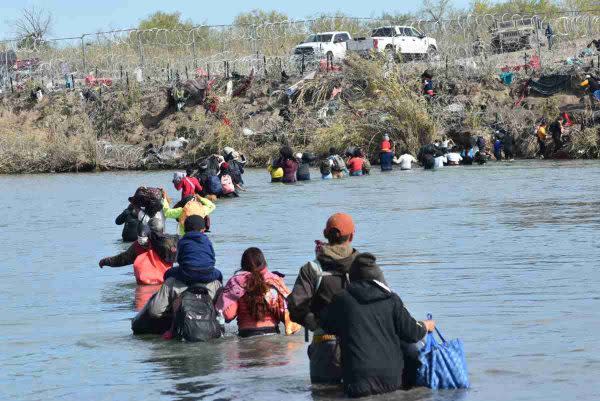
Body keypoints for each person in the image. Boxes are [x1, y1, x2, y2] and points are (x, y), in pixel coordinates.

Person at [320, 253, 435, 398]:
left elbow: (326, 325)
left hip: (357, 383)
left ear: (352, 278)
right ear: (378, 278)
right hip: (392, 380)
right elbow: (412, 333)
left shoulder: (341, 299)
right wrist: (425, 325)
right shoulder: (392, 299)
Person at [288, 213, 359, 384]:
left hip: (325, 346)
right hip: (360, 346)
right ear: (352, 235)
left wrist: (317, 325)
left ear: (325, 234)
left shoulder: (311, 269)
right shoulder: (363, 265)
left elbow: (296, 307)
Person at [132, 215, 223, 337]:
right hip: (208, 275)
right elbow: (212, 259)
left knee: (168, 275)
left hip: (185, 273)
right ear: (203, 230)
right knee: (219, 276)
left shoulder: (182, 240)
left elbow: (180, 259)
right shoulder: (207, 241)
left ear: (184, 229)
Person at [215, 248, 301, 338]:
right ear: (264, 263)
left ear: (243, 265)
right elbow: (288, 311)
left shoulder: (235, 283)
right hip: (272, 335)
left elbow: (228, 315)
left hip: (246, 336)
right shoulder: (274, 281)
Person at [99, 187, 166, 268]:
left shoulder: (138, 216)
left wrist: (105, 261)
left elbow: (123, 259)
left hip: (133, 245)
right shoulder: (169, 242)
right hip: (163, 266)